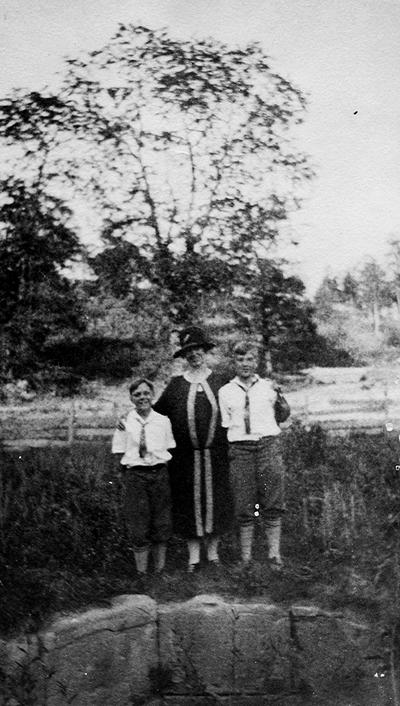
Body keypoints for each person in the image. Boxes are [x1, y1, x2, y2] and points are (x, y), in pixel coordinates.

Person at [153, 326, 232, 572]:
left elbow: (237, 410)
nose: (194, 355)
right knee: (187, 503)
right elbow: (156, 416)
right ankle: (194, 558)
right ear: (184, 356)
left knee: (217, 500)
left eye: (197, 349)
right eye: (188, 351)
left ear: (204, 351)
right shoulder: (176, 386)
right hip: (184, 458)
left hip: (216, 455)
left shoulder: (221, 382)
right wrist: (130, 422)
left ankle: (214, 553)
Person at [218, 341, 290, 570]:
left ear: (256, 361)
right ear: (234, 362)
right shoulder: (225, 391)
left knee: (272, 499)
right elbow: (226, 424)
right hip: (240, 449)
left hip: (268, 445)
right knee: (244, 502)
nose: (245, 364)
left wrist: (281, 396)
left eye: (249, 359)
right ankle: (246, 558)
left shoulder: (269, 387)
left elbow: (282, 416)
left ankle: (274, 555)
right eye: (240, 360)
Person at [112, 377, 176, 577]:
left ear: (152, 395)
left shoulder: (162, 421)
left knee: (161, 521)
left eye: (146, 393)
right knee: (138, 523)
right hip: (135, 475)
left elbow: (169, 448)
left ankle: (160, 571)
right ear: (131, 398)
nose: (142, 397)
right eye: (137, 394)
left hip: (158, 474)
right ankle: (141, 573)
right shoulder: (124, 422)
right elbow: (119, 451)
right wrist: (122, 477)